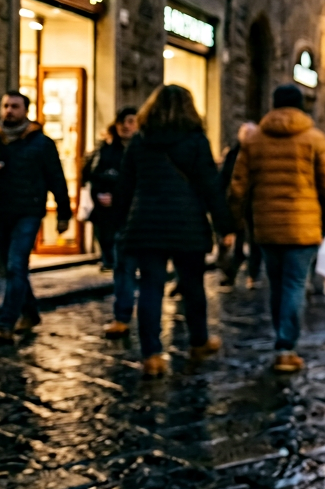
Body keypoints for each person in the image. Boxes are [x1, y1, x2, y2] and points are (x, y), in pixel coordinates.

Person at [114, 85, 232, 376]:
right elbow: (210, 187)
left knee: (150, 287)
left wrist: (120, 223)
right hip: (186, 225)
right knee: (192, 286)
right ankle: (198, 340)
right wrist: (224, 226)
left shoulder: (139, 142)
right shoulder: (195, 141)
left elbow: (125, 187)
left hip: (146, 225)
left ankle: (152, 355)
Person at [229, 84, 325, 372]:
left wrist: (235, 221)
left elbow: (237, 186)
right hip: (303, 227)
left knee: (276, 285)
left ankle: (282, 340)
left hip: (267, 226)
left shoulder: (254, 140)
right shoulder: (315, 139)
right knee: (295, 285)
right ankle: (286, 347)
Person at [0, 92, 70, 344]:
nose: (8, 111)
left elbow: (56, 179)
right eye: (5, 106)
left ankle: (6, 323)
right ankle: (31, 312)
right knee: (12, 269)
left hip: (29, 211)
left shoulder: (41, 143)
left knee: (17, 265)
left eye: (14, 106)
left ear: (26, 110)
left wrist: (63, 212)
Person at [87, 108, 144, 339]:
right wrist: (99, 194)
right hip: (113, 218)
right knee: (122, 268)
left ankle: (137, 318)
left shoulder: (145, 150)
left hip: (139, 218)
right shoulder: (107, 151)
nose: (126, 126)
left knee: (139, 270)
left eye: (131, 122)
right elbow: (94, 176)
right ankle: (122, 316)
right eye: (122, 121)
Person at [217, 122, 261, 291]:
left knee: (254, 242)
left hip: (254, 205)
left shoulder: (259, 155)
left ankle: (252, 274)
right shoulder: (233, 154)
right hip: (237, 204)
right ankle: (232, 273)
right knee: (237, 240)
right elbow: (224, 178)